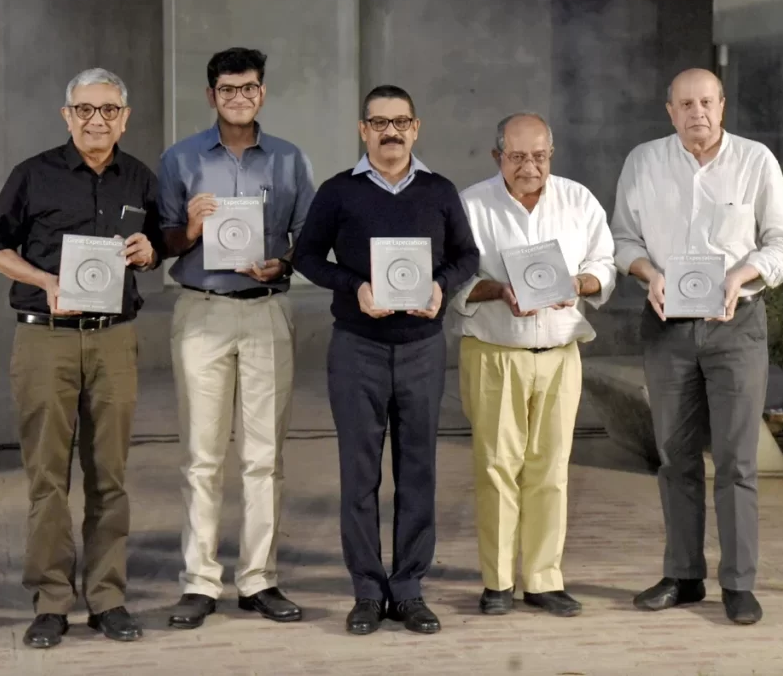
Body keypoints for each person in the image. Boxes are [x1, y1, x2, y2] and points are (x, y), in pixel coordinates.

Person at [0, 68, 163, 648]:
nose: (96, 120)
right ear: (67, 115)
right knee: (47, 477)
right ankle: (52, 599)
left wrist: (150, 250)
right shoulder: (32, 174)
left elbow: (158, 245)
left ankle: (107, 597)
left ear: (124, 117)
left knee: (110, 475)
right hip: (45, 337)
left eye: (108, 110)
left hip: (113, 338)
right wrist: (42, 279)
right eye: (84, 110)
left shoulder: (139, 177)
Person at [611, 68, 783, 625]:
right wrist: (648, 273)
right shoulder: (643, 162)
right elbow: (623, 239)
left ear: (722, 106)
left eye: (706, 102)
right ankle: (684, 575)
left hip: (735, 325)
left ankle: (739, 583)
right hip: (667, 326)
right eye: (685, 103)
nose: (697, 112)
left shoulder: (755, 162)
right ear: (669, 110)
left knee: (739, 461)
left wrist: (744, 275)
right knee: (675, 458)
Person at [292, 85, 479, 636]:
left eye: (401, 122)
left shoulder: (439, 190)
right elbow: (305, 256)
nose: (390, 131)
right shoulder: (338, 192)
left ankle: (410, 589)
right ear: (363, 129)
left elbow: (467, 254)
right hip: (358, 348)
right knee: (359, 473)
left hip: (422, 348)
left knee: (419, 470)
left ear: (415, 128)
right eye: (379, 122)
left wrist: (442, 286)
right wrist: (355, 288)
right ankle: (368, 591)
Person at [158, 47, 315, 630]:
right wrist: (192, 228)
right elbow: (163, 243)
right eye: (228, 90)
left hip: (266, 311)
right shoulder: (180, 159)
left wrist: (284, 264)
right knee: (201, 457)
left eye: (248, 88)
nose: (239, 98)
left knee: (263, 457)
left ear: (262, 93)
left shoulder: (291, 161)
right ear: (211, 96)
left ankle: (259, 579)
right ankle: (199, 582)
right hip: (201, 312)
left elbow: (311, 238)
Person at [451, 112, 616, 617]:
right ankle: (497, 581)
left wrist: (579, 284)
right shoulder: (470, 204)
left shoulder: (578, 200)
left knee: (551, 471)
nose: (529, 167)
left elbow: (603, 265)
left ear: (552, 155)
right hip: (494, 352)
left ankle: (543, 579)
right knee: (497, 469)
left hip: (561, 354)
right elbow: (451, 278)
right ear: (497, 156)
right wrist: (499, 291)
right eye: (518, 156)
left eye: (539, 156)